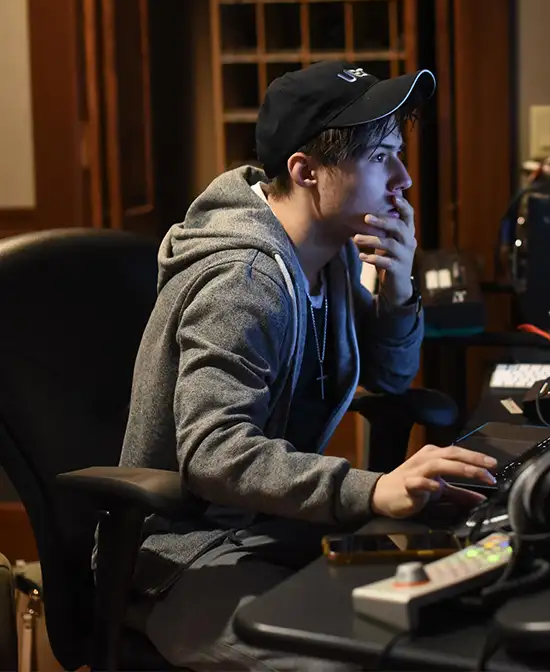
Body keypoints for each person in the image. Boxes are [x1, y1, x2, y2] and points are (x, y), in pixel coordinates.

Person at [119, 61, 499, 671]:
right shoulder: (243, 282)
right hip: (183, 556)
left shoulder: (333, 258)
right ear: (307, 172)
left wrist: (400, 290)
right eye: (381, 157)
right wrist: (372, 488)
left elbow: (392, 379)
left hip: (271, 529)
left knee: (446, 614)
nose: (402, 179)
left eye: (399, 153)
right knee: (346, 660)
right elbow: (213, 452)